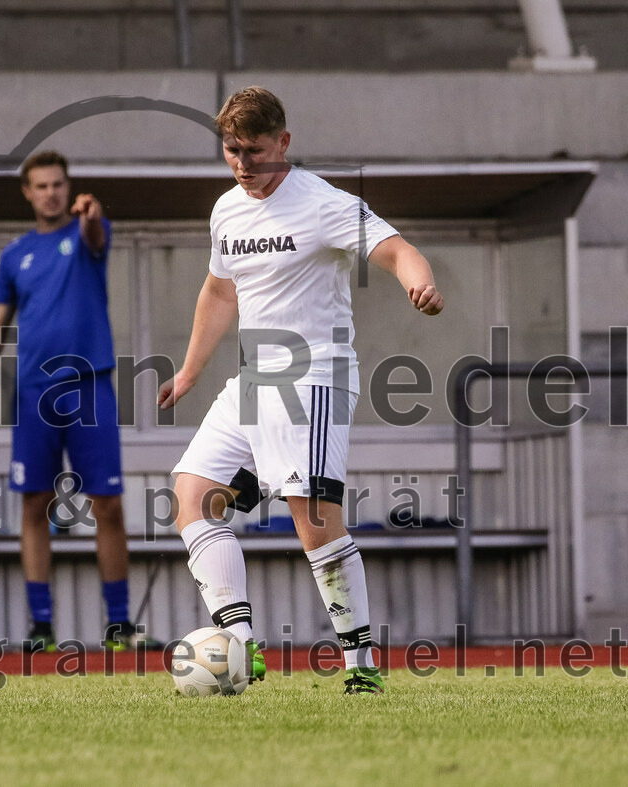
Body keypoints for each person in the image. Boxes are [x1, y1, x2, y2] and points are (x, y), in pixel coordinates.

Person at [157, 87, 444, 693]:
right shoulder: (226, 209)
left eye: (255, 152)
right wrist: (188, 371)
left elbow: (396, 251)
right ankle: (239, 648)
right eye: (231, 151)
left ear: (283, 143)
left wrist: (420, 284)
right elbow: (220, 292)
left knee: (313, 519)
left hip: (312, 377)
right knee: (192, 494)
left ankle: (361, 669)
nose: (242, 164)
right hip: (252, 380)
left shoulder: (323, 203)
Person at [0, 150, 157, 652]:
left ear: (68, 187)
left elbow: (97, 236)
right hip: (33, 390)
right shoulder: (14, 254)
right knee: (34, 503)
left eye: (59, 184)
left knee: (109, 505)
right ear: (28, 192)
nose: (51, 192)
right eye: (42, 185)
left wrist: (93, 216)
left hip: (90, 384)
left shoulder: (87, 232)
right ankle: (41, 627)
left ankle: (119, 626)